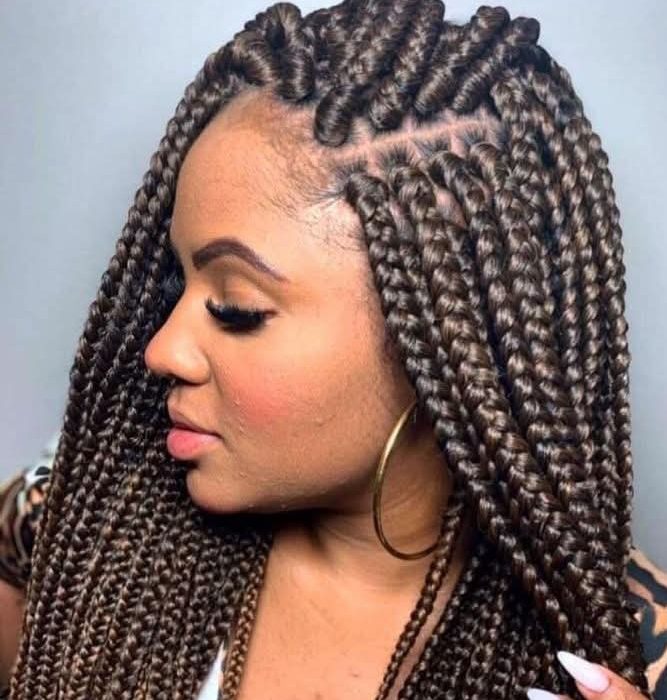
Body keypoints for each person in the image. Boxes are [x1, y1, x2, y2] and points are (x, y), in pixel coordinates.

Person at [1, 0, 665, 697]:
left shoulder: (623, 650)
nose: (161, 349)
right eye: (175, 281)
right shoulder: (85, 513)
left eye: (235, 309)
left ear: (441, 348)